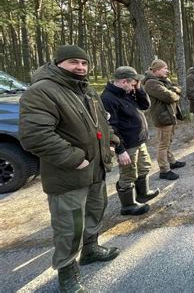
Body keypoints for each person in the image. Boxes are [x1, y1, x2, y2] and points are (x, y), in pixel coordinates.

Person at [19, 45, 119, 293]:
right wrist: (74, 158)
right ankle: (67, 272)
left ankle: (91, 249)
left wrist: (112, 141)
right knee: (69, 226)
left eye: (84, 63)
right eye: (74, 62)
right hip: (68, 174)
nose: (80, 67)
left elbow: (101, 124)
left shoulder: (86, 90)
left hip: (96, 168)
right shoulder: (42, 91)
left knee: (95, 211)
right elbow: (35, 135)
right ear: (58, 63)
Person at [101, 66, 159, 216]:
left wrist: (138, 89)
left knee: (144, 167)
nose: (134, 87)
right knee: (128, 175)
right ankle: (128, 206)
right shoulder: (108, 98)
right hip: (127, 145)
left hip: (139, 140)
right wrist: (120, 150)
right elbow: (110, 127)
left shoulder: (128, 92)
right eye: (133, 84)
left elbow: (145, 105)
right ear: (124, 81)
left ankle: (143, 194)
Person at [143, 59, 186, 180]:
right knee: (163, 144)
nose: (168, 70)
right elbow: (169, 96)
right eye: (165, 68)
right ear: (156, 70)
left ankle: (171, 161)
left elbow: (177, 88)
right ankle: (164, 170)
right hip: (163, 118)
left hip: (169, 116)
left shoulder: (163, 80)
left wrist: (174, 91)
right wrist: (174, 93)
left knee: (168, 141)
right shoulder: (151, 83)